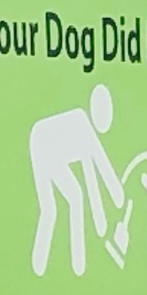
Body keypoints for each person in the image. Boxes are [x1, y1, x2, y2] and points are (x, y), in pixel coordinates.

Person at [28, 84, 124, 276]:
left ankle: (76, 264)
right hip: (41, 143)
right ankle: (48, 265)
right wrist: (117, 196)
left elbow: (92, 172)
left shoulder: (84, 127)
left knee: (74, 198)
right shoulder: (82, 123)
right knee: (51, 208)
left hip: (47, 146)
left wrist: (101, 217)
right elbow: (102, 167)